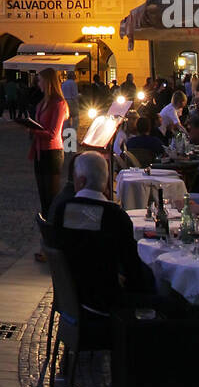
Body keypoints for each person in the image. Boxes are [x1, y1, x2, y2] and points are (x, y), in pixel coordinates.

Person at [48, 151, 154, 312]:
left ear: (81, 181)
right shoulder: (115, 215)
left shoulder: (63, 210)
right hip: (108, 303)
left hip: (73, 298)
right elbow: (132, 268)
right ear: (105, 182)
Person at [24, 68, 69, 242]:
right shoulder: (44, 101)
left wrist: (32, 129)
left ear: (49, 82)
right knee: (43, 196)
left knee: (51, 197)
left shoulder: (59, 103)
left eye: (40, 80)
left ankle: (54, 238)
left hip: (52, 152)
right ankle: (47, 238)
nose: (38, 83)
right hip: (39, 151)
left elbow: (52, 132)